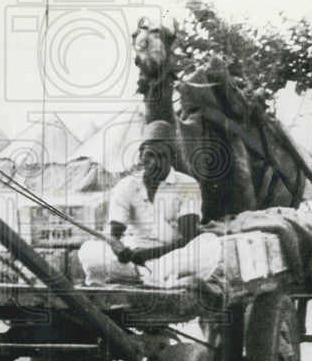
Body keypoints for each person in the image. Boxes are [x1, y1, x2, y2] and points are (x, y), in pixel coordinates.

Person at [78, 121, 222, 288]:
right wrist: (118, 249)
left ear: (172, 158)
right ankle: (155, 277)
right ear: (141, 156)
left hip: (171, 255)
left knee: (209, 243)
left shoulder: (187, 185)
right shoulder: (126, 186)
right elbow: (114, 234)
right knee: (89, 250)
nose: (154, 162)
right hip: (133, 259)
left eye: (161, 156)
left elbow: (188, 237)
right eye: (150, 155)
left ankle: (152, 275)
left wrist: (151, 253)